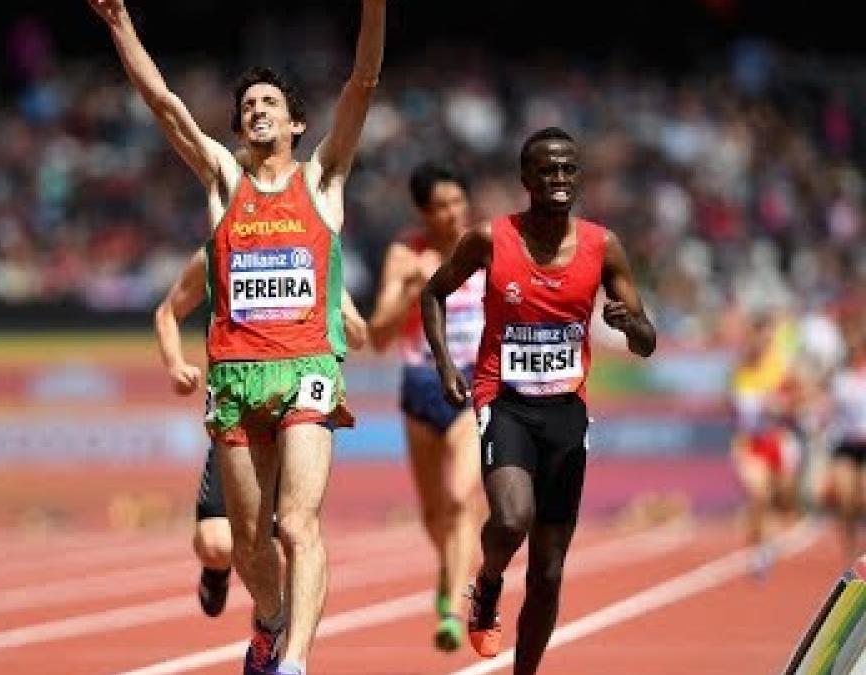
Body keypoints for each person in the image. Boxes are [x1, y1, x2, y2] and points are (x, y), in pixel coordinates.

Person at [88, 1, 385, 669]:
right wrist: (120, 26)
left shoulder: (323, 178)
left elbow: (363, 80)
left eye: (270, 101)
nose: (257, 108)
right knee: (249, 541)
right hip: (234, 374)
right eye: (248, 101)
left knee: (297, 524)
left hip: (306, 364)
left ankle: (295, 661)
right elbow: (165, 105)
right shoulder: (225, 181)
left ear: (296, 122)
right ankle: (273, 617)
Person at [421, 127, 656, 674]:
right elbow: (433, 291)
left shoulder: (604, 247)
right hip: (503, 399)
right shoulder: (489, 239)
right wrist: (444, 365)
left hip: (566, 411)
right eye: (546, 170)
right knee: (511, 517)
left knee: (549, 570)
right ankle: (487, 582)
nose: (558, 179)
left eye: (568, 169)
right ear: (526, 179)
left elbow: (647, 343)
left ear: (578, 177)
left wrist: (629, 325)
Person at [152, 248, 368, 618]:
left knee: (291, 535)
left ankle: (273, 635)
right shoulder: (221, 248)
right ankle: (217, 573)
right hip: (241, 410)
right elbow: (167, 312)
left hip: (297, 410)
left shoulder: (312, 251)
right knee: (217, 544)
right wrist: (175, 365)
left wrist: (337, 311)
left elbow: (360, 334)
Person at [367, 161, 486, 651]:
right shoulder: (405, 253)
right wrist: (413, 289)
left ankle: (454, 609)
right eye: (440, 206)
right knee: (434, 514)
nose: (452, 213)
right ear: (422, 211)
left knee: (461, 497)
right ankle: (450, 566)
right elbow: (377, 336)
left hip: (475, 384)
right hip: (421, 385)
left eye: (458, 202)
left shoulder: (485, 248)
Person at [728, 312, 803, 577]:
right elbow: (734, 409)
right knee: (759, 494)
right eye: (755, 337)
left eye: (765, 337)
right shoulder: (741, 369)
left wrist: (782, 404)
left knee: (780, 501)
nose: (760, 342)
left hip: (778, 439)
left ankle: (764, 541)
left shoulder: (781, 367)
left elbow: (800, 398)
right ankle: (758, 550)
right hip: (752, 443)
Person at [828, 328, 866, 564]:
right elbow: (829, 409)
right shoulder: (839, 379)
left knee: (864, 497)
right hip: (845, 444)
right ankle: (850, 554)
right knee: (845, 499)